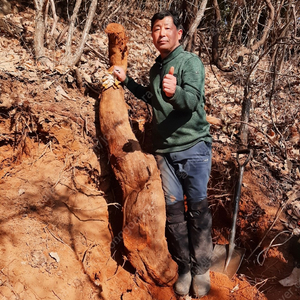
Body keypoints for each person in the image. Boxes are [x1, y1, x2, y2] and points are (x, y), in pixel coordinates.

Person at [113, 10, 213, 298]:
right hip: (164, 152)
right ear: (153, 35)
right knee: (173, 213)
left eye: (167, 28)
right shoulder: (158, 68)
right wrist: (127, 81)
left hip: (193, 147)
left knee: (197, 209)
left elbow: (192, 100)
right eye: (156, 29)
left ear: (179, 33)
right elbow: (151, 98)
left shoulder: (189, 62)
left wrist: (176, 93)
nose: (162, 33)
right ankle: (184, 267)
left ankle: (201, 267)